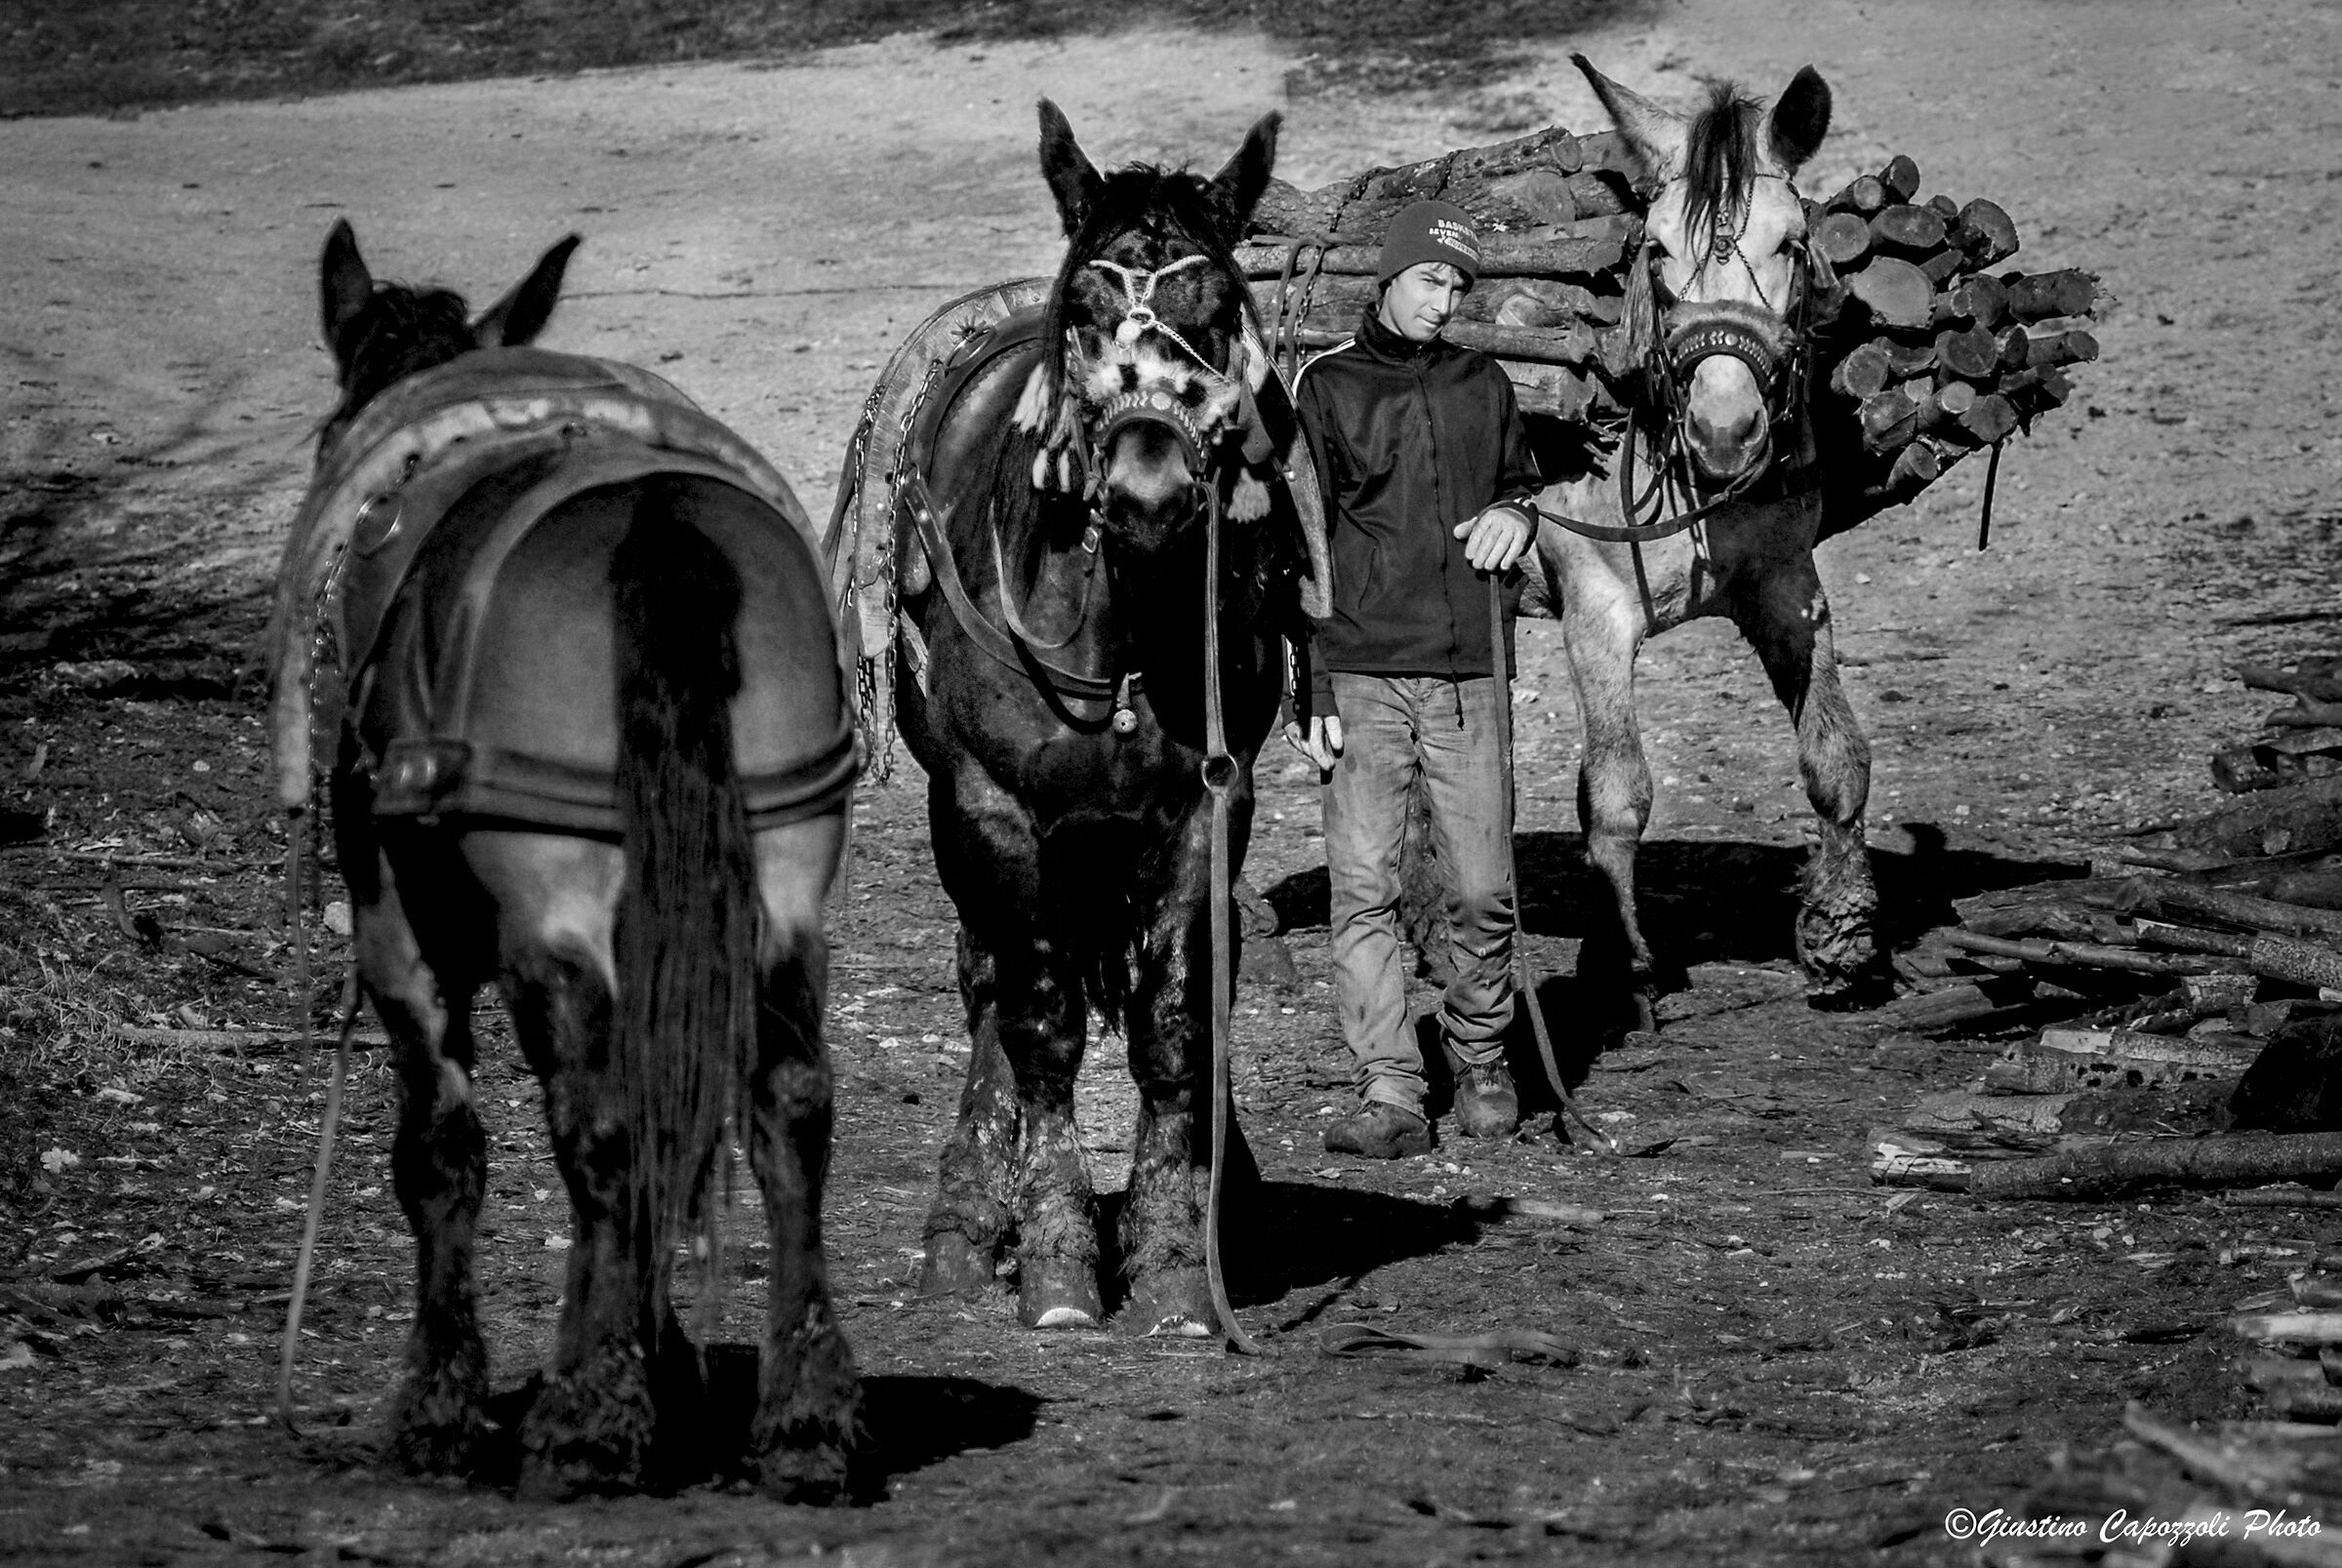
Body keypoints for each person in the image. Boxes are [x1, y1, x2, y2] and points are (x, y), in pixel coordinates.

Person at [1286, 199, 1544, 1159]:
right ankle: (1391, 1085)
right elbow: (1301, 549)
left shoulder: (1486, 384)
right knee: (1364, 888)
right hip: (1357, 671)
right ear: (1389, 278)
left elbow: (1521, 482)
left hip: (1470, 668)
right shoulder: (1326, 389)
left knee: (1482, 886)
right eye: (1433, 280)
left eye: (1459, 286)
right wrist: (1304, 692)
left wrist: (1519, 512)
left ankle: (1480, 1057)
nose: (1447, 301)